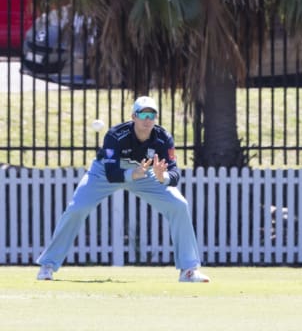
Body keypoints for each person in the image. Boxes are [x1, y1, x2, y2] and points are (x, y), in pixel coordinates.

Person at [36, 96, 210, 283]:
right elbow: (111, 173)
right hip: (103, 174)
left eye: (152, 115)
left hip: (145, 174)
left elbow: (174, 173)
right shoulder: (115, 135)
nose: (147, 119)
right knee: (77, 208)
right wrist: (131, 175)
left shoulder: (163, 138)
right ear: (133, 117)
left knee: (179, 205)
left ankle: (189, 270)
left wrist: (163, 177)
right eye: (143, 114)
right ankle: (47, 265)